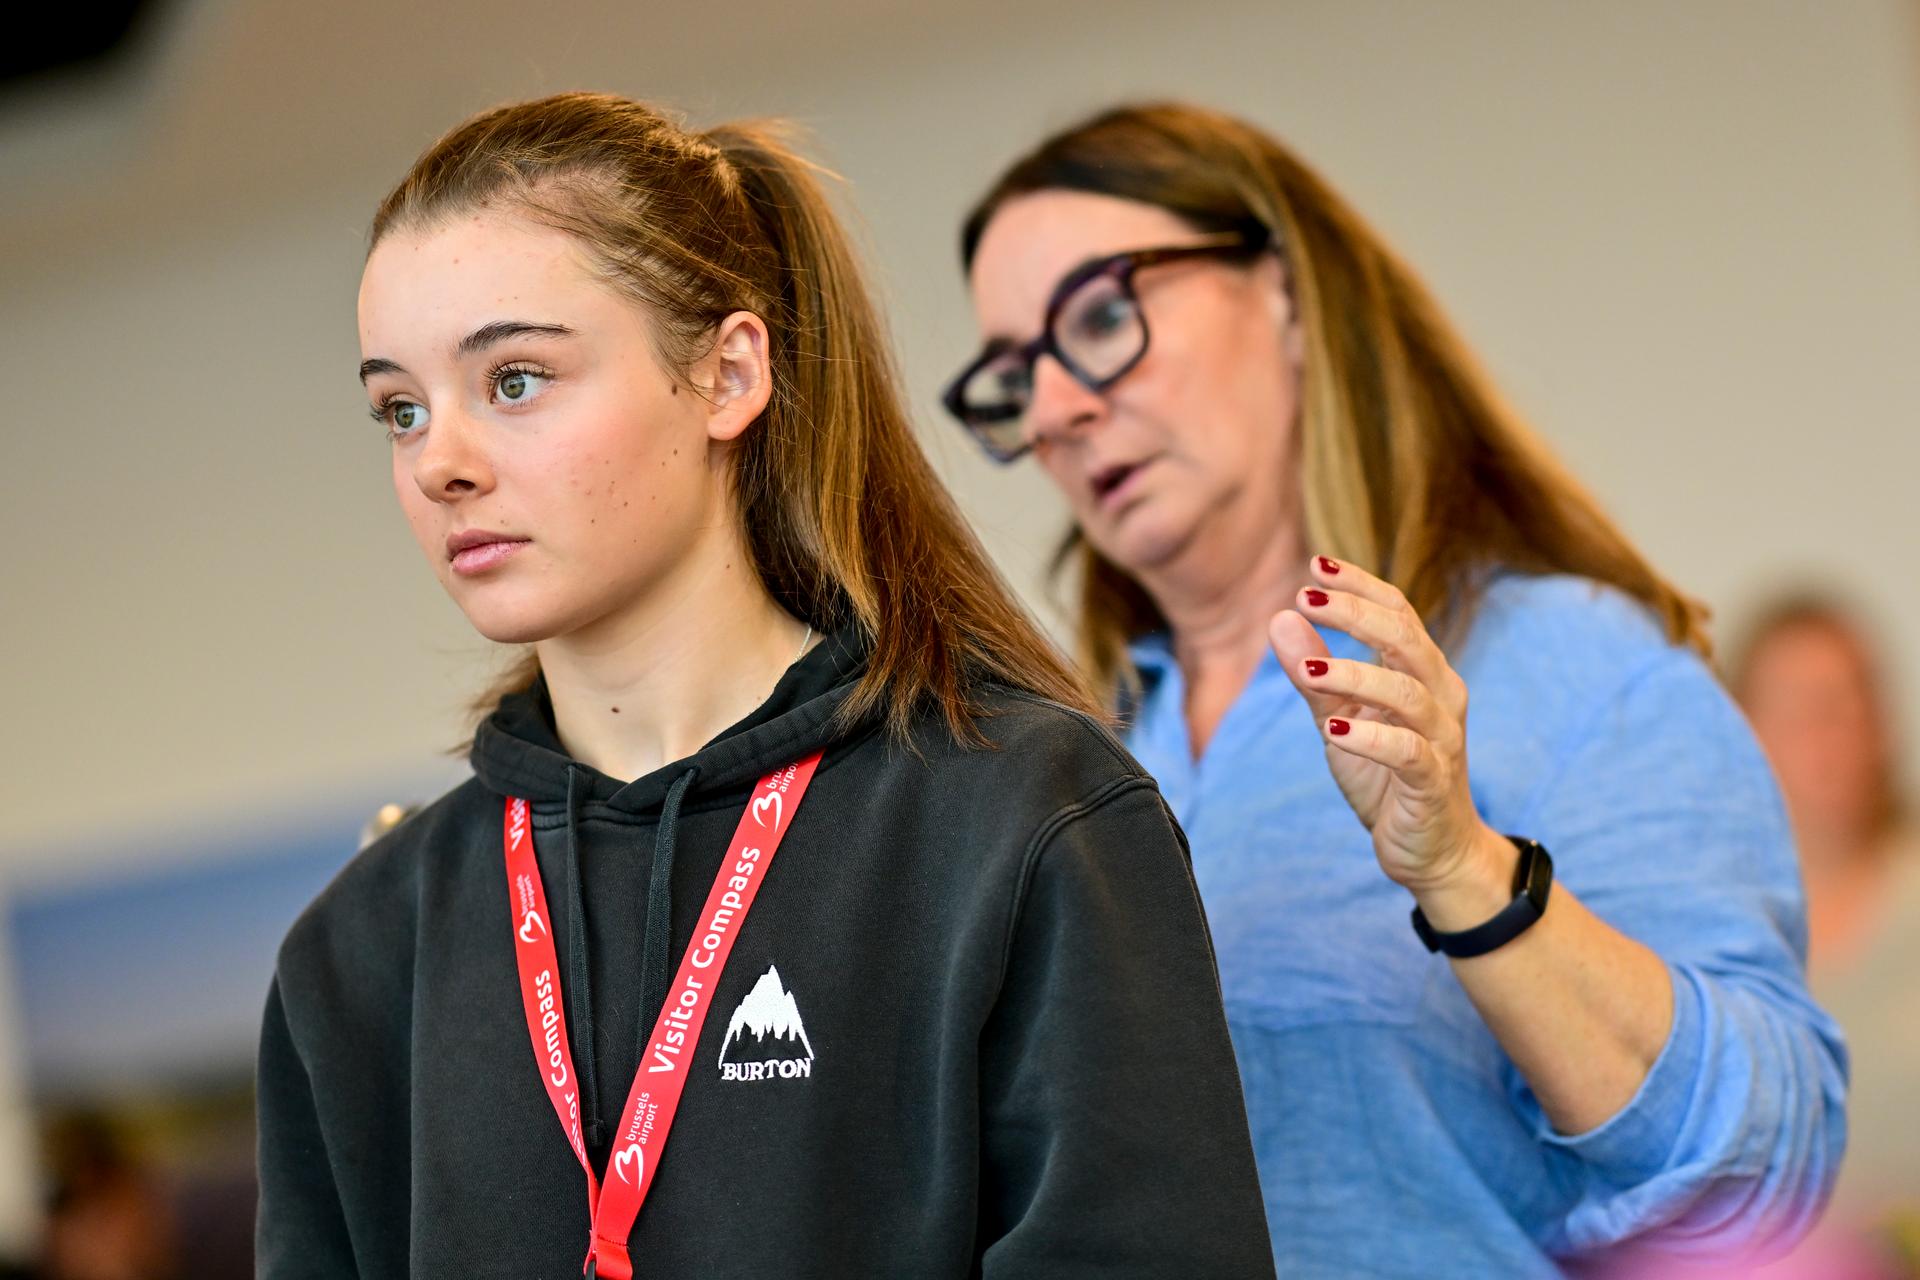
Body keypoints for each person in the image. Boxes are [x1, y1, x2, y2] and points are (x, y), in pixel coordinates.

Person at [254, 92, 1276, 1279]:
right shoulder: (359, 951)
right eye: (400, 409)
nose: (441, 461)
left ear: (730, 374)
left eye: (516, 379)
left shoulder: (1019, 815)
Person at [949, 101, 1847, 1278]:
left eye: (1104, 317)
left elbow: (1765, 1169)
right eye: (1015, 375)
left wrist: (1465, 869)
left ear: (1287, 291)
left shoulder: (1576, 665)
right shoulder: (1068, 754)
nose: (1057, 409)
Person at [1731, 596, 1920, 1266]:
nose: (1828, 736)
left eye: (1846, 703)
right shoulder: (1708, 925)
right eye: (1799, 710)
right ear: (1743, 732)